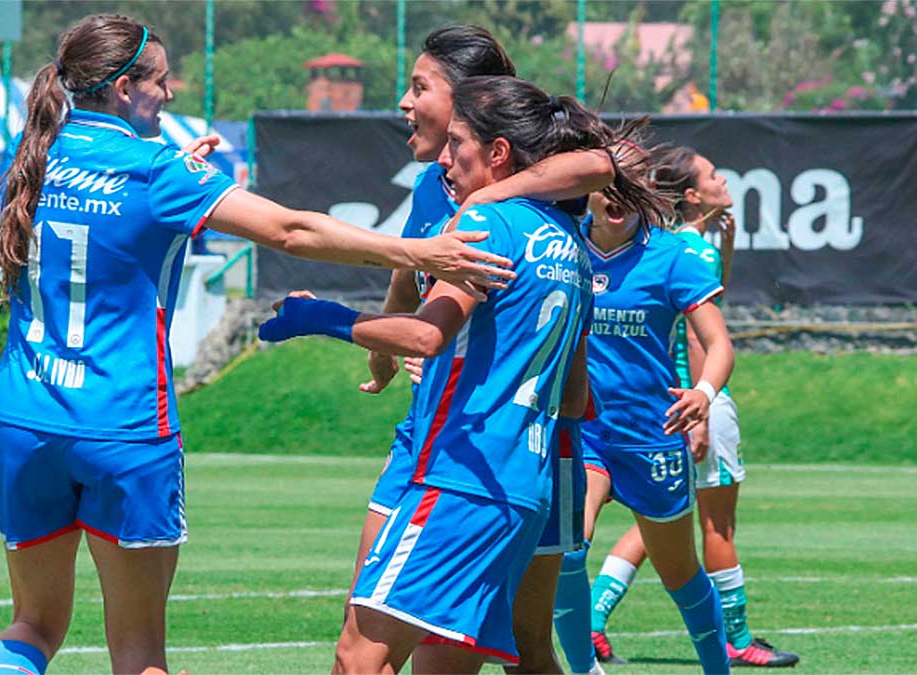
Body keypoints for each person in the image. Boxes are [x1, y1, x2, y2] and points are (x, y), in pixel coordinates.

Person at [0, 14, 521, 675]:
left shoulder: (29, 153)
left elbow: (108, 228)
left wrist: (188, 178)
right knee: (139, 651)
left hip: (21, 417)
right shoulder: (159, 170)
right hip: (120, 425)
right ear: (124, 89)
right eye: (160, 78)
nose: (172, 91)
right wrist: (416, 250)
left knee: (33, 624)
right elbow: (290, 230)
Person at [259, 75, 661, 675]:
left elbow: (425, 335)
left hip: (457, 479)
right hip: (526, 489)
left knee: (357, 657)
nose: (446, 159)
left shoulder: (489, 225)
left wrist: (321, 317)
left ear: (498, 152)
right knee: (507, 657)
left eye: (459, 142)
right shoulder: (574, 248)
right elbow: (577, 399)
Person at [351, 26, 614, 673]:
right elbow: (410, 274)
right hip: (439, 438)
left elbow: (607, 162)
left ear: (469, 101)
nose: (405, 103)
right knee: (405, 636)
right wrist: (389, 348)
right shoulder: (433, 193)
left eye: (419, 88)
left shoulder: (511, 198)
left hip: (493, 451)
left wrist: (493, 194)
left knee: (386, 648)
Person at [587, 146, 800, 668]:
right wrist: (703, 402)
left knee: (661, 532)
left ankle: (594, 618)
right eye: (711, 176)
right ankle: (736, 638)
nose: (723, 180)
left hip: (662, 413)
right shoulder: (682, 251)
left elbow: (703, 318)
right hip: (673, 407)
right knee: (715, 525)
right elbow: (701, 340)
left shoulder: (684, 249)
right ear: (689, 195)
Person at [550, 140, 737, 675]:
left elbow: (719, 344)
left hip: (651, 437)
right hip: (582, 433)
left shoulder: (671, 256)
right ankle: (586, 669)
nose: (617, 196)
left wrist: (702, 394)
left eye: (630, 185)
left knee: (680, 573)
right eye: (607, 183)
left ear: (647, 193)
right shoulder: (560, 247)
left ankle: (717, 669)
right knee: (567, 551)